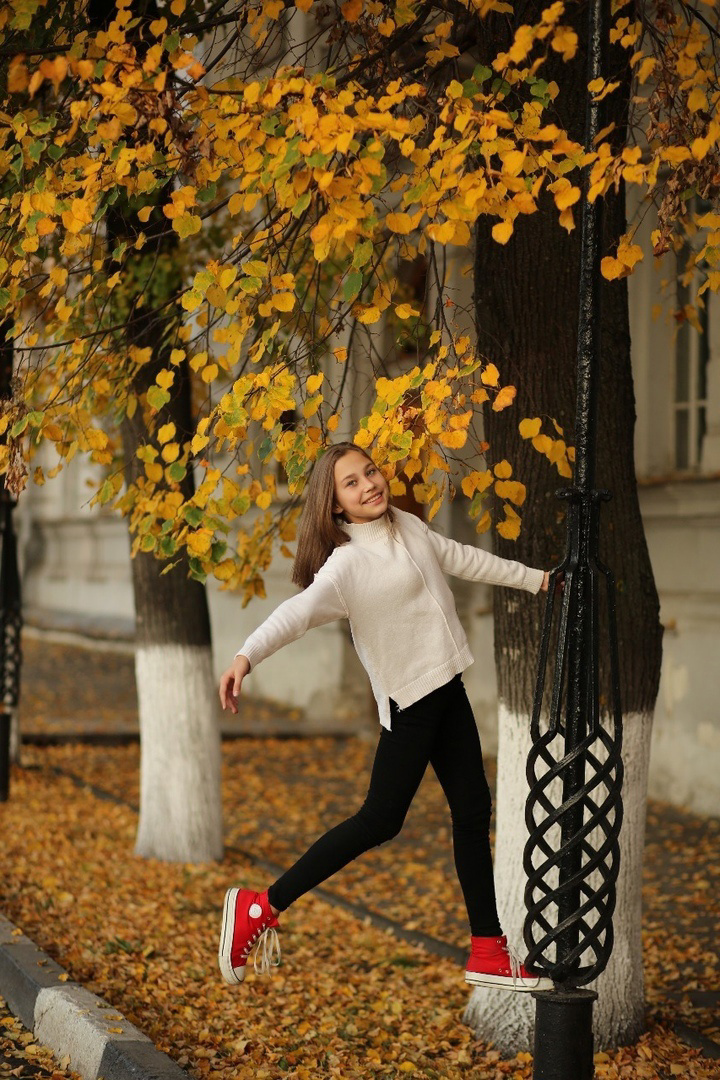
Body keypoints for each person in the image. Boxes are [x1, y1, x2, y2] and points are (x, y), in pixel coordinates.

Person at [218, 441, 555, 992]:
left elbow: (466, 559)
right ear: (335, 506)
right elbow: (295, 614)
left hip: (448, 687)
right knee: (380, 820)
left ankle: (489, 951)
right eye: (351, 483)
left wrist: (537, 579)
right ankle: (262, 905)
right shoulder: (347, 565)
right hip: (411, 704)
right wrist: (245, 655)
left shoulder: (408, 525)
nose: (369, 485)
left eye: (370, 472)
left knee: (472, 810)